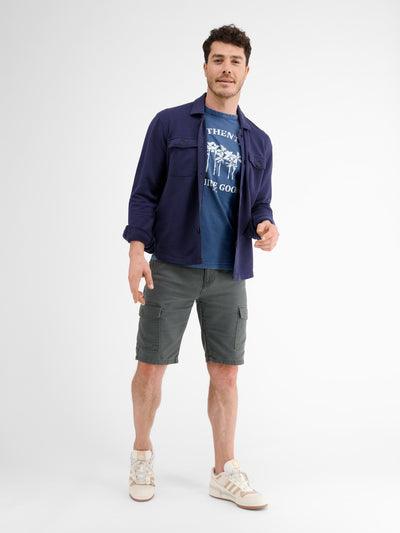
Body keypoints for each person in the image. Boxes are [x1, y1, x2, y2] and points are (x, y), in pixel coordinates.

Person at [123, 24, 279, 510]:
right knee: (151, 367)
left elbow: (259, 204)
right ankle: (142, 454)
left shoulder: (258, 141)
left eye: (235, 61)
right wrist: (136, 251)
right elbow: (144, 192)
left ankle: (223, 471)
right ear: (205, 66)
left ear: (247, 71)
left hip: (229, 272)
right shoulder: (169, 124)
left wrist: (267, 224)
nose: (226, 68)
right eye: (218, 59)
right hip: (171, 266)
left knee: (226, 374)